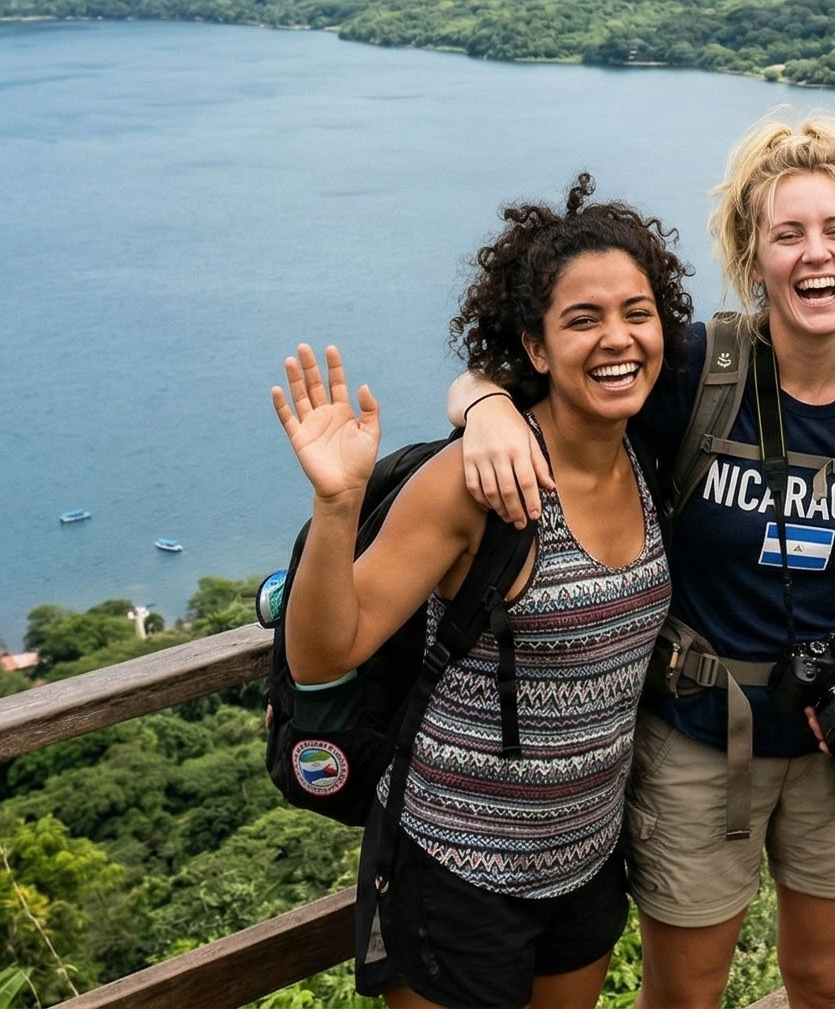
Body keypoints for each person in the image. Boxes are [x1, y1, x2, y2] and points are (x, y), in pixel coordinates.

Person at [453, 114, 835, 1009]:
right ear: (753, 257)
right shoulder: (693, 369)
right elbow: (539, 381)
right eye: (787, 234)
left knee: (828, 980)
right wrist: (483, 404)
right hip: (699, 738)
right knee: (685, 995)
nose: (815, 255)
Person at [270, 176, 681, 1009]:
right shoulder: (475, 483)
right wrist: (336, 506)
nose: (618, 338)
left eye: (637, 312)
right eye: (582, 319)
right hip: (453, 867)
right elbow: (322, 655)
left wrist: (479, 395)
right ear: (534, 347)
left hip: (586, 861)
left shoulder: (649, 451)